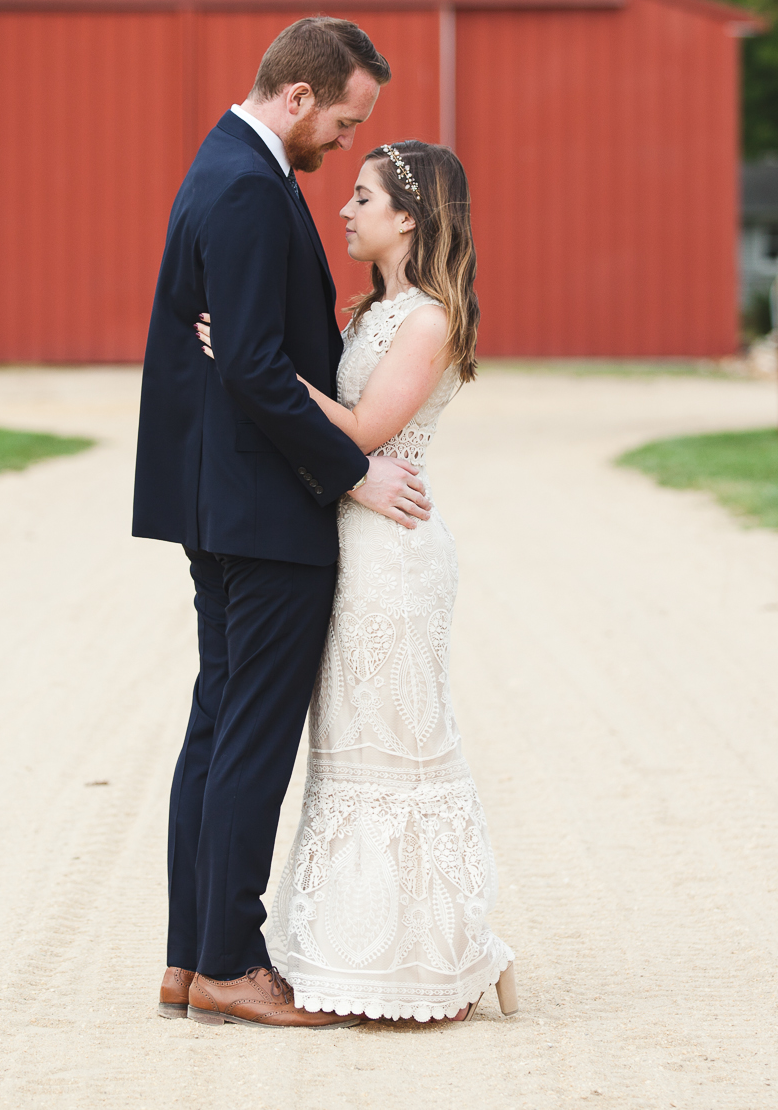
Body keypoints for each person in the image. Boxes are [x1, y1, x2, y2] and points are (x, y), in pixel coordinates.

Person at [133, 17, 431, 1029]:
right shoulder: (251, 191)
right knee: (250, 737)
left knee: (216, 728)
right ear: (298, 98)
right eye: (344, 121)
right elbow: (256, 366)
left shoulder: (218, 169)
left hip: (220, 499)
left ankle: (188, 956)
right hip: (264, 511)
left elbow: (233, 350)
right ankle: (227, 960)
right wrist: (352, 473)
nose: (344, 143)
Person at [194, 140, 517, 1024]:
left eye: (364, 195)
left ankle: (436, 956)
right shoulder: (373, 311)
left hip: (396, 555)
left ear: (407, 216)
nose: (345, 208)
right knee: (349, 753)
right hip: (353, 543)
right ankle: (356, 952)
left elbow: (368, 427)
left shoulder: (430, 319)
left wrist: (257, 366)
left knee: (396, 750)